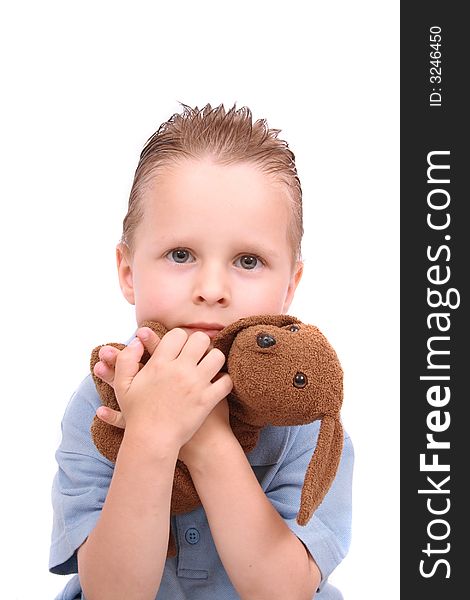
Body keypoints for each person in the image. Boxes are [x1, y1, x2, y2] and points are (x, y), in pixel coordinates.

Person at [49, 103, 353, 600]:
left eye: (248, 260)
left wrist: (206, 438)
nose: (212, 289)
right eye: (181, 255)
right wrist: (151, 435)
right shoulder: (102, 396)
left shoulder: (304, 411)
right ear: (128, 273)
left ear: (290, 285)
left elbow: (285, 590)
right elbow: (111, 593)